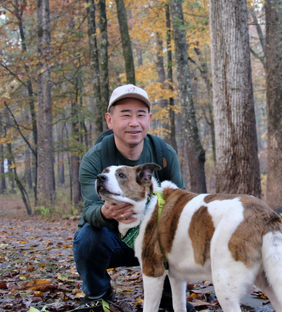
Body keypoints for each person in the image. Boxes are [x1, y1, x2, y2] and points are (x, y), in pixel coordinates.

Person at [72, 84, 194, 312]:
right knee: (86, 238)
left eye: (140, 115)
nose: (134, 122)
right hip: (116, 239)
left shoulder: (164, 154)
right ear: (110, 120)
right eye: (125, 115)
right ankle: (98, 295)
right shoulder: (94, 159)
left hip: (156, 238)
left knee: (176, 230)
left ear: (149, 119)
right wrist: (104, 212)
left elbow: (182, 204)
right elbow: (89, 209)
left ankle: (168, 297)